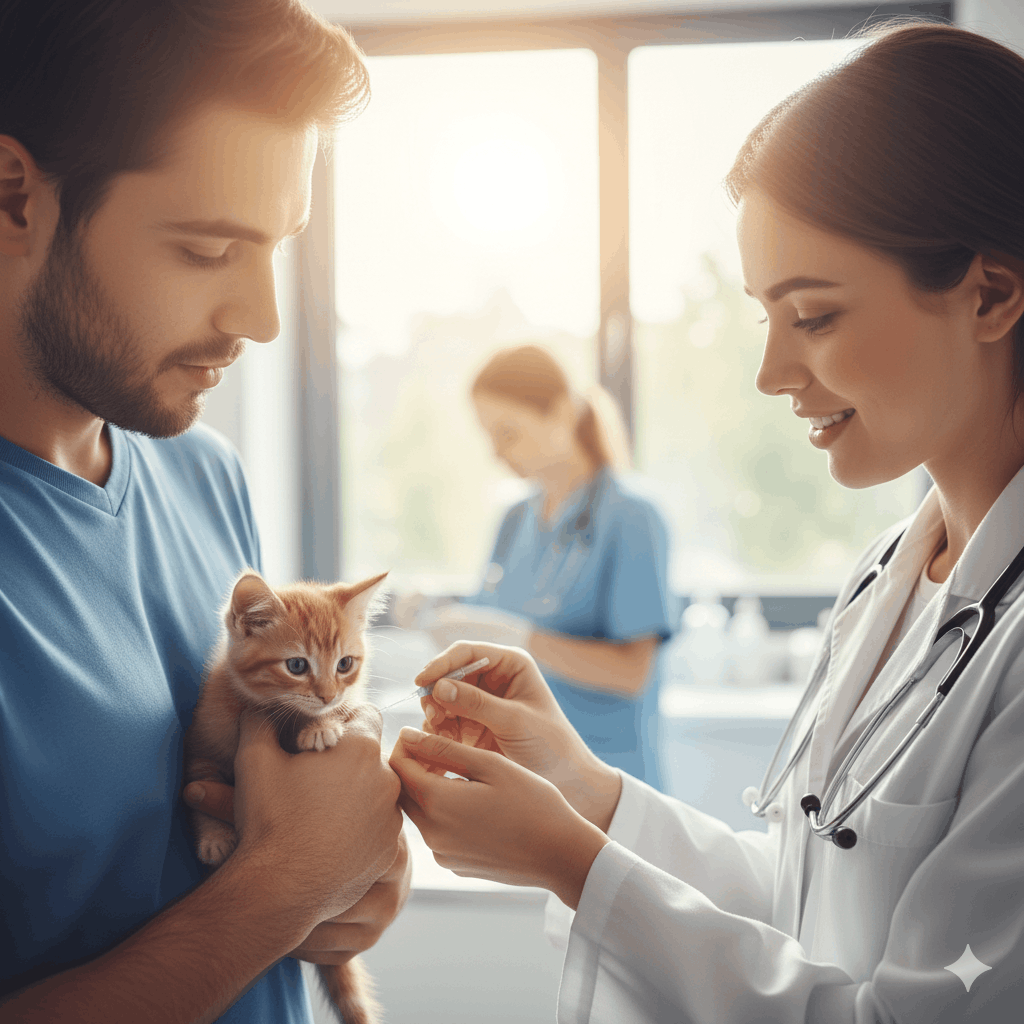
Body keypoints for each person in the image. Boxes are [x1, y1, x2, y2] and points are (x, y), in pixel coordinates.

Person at [388, 22, 1024, 1022]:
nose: (769, 374)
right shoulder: (887, 580)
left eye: (812, 316)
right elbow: (808, 900)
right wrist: (583, 790)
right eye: (763, 317)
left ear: (988, 291)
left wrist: (571, 857)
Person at [0, 2, 408, 1021]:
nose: (262, 319)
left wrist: (354, 871)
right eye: (205, 249)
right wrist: (286, 884)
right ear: (13, 195)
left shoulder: (203, 472)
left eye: (277, 246)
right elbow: (271, 885)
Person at [408, 345, 676, 789]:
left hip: (608, 778)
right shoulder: (514, 520)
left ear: (561, 414)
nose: (496, 454)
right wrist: (437, 613)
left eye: (508, 433)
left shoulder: (632, 517)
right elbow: (489, 616)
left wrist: (522, 642)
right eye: (488, 436)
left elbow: (631, 673)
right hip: (519, 775)